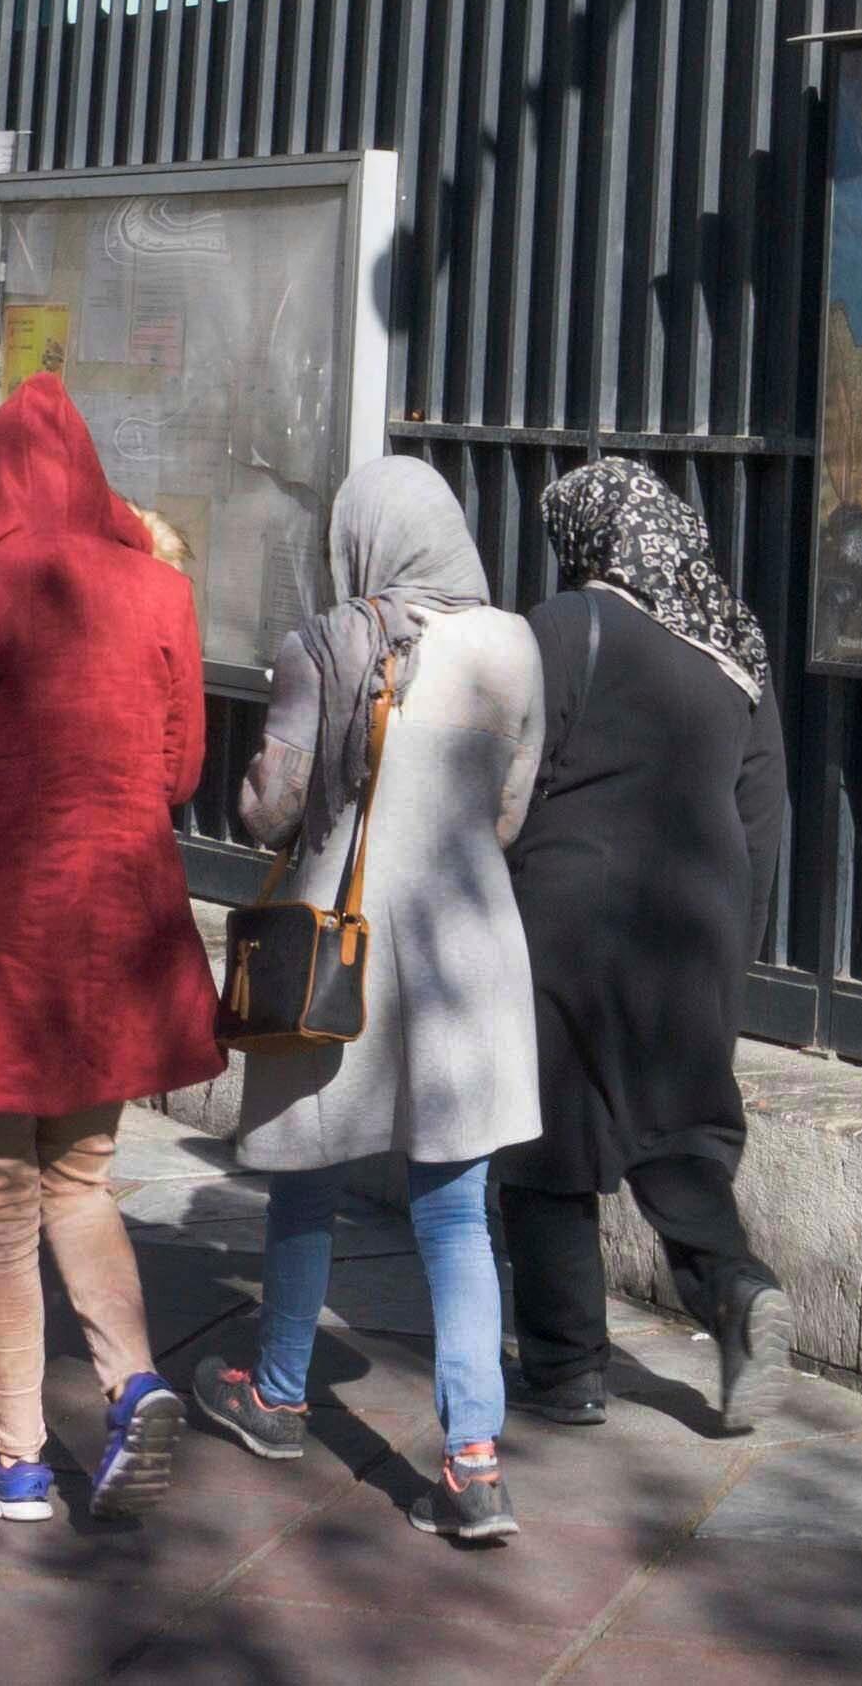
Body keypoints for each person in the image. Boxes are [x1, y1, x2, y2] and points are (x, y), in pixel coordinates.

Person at [0, 379, 225, 1527]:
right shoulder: (162, 589)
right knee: (82, 1178)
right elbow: (179, 774)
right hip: (117, 931)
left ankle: (15, 1459)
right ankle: (135, 1381)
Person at [193, 460, 541, 1547]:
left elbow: (268, 809)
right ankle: (475, 1461)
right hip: (468, 954)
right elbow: (511, 814)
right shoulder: (513, 644)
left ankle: (280, 1395)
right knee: (455, 1207)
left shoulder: (325, 643)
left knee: (305, 1181)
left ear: (360, 540)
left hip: (336, 946)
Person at [495, 457, 789, 1432]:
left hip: (566, 914)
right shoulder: (733, 649)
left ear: (587, 539)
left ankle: (569, 1369)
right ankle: (734, 1288)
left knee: (546, 1144)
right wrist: (727, 958)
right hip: (693, 927)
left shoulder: (563, 625)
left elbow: (515, 781)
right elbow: (761, 821)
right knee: (677, 1133)